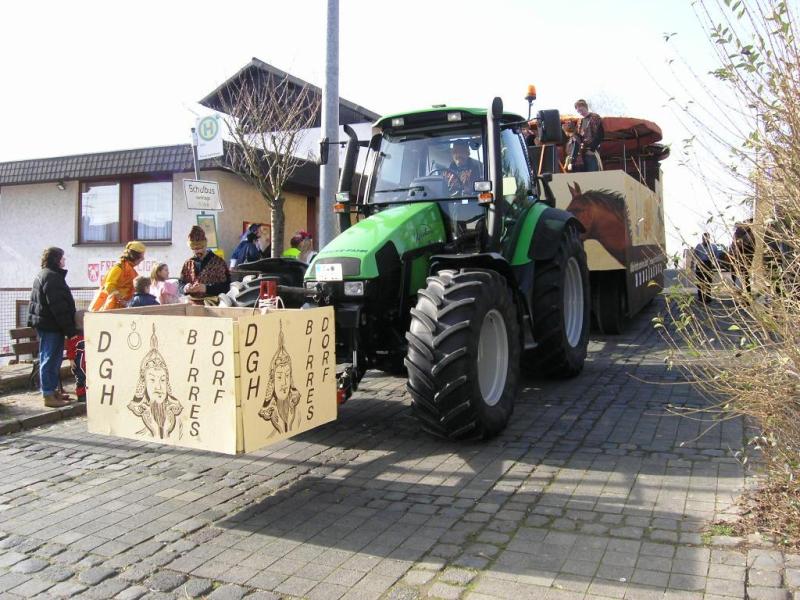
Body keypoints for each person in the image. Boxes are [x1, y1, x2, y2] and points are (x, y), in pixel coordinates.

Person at [27, 247, 77, 408]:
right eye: (62, 257)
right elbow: (58, 306)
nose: (64, 260)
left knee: (52, 359)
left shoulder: (47, 274)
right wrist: (70, 329)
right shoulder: (52, 277)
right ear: (56, 259)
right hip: (51, 325)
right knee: (50, 359)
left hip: (48, 323)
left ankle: (52, 391)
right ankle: (48, 394)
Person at [179, 226, 231, 305]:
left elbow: (226, 287)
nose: (197, 251)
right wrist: (185, 288)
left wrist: (206, 288)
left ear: (205, 245)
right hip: (192, 305)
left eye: (199, 248)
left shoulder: (219, 262)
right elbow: (180, 283)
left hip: (212, 307)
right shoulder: (188, 263)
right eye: (194, 249)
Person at [90, 241, 146, 311]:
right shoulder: (118, 268)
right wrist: (121, 299)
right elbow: (109, 286)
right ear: (135, 256)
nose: (143, 259)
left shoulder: (131, 270)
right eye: (142, 256)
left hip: (119, 308)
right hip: (109, 308)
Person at [574, 99, 604, 172]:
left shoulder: (595, 117)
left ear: (585, 107)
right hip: (582, 152)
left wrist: (592, 148)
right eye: (577, 109)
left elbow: (600, 134)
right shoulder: (580, 121)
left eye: (580, 108)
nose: (579, 110)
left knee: (592, 172)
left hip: (591, 152)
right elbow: (580, 136)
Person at [694, 232, 721, 303]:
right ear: (702, 238)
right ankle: (700, 297)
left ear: (709, 238)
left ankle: (708, 297)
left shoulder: (713, 247)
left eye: (706, 238)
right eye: (703, 238)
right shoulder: (699, 246)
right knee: (700, 281)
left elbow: (716, 257)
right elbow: (695, 255)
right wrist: (693, 264)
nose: (705, 240)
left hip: (708, 264)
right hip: (700, 264)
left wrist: (716, 265)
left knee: (708, 281)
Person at [65, 311, 86, 403]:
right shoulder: (74, 337)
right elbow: (70, 349)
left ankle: (87, 393)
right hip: (78, 363)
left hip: (87, 362)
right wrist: (71, 359)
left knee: (88, 379)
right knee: (80, 379)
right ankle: (81, 395)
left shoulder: (89, 334)